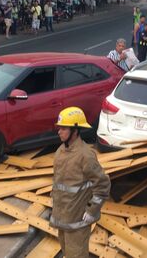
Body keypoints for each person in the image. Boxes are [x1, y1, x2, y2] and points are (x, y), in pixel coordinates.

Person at [50, 107, 110, 258]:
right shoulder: (60, 152)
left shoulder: (85, 155)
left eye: (63, 128)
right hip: (63, 218)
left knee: (76, 255)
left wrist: (92, 211)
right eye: (59, 128)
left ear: (75, 130)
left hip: (78, 221)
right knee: (66, 252)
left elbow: (102, 185)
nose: (59, 132)